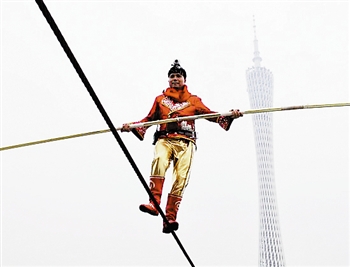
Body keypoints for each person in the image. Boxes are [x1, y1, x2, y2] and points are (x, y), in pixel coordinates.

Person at [121, 60, 243, 234]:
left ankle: (170, 217)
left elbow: (211, 115)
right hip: (165, 139)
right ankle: (154, 204)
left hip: (186, 142)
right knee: (159, 162)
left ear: (184, 79)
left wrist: (229, 115)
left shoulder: (193, 101)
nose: (175, 79)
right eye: (172, 76)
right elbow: (148, 119)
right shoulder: (160, 100)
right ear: (168, 80)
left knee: (181, 178)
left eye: (178, 76)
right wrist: (132, 126)